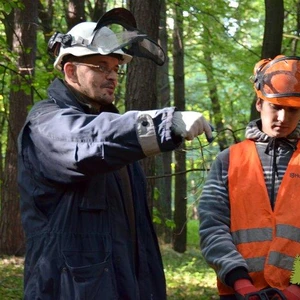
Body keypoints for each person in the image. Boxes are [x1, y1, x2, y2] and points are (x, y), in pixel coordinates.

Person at [17, 8, 213, 300]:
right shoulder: (46, 123)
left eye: (115, 68)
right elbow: (86, 139)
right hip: (65, 290)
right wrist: (163, 124)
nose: (112, 76)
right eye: (100, 66)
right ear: (70, 71)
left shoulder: (115, 134)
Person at [199, 54, 300, 300]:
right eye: (275, 107)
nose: (283, 119)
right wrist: (240, 281)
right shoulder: (228, 159)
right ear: (259, 104)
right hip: (239, 292)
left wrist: (296, 286)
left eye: (292, 110)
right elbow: (213, 224)